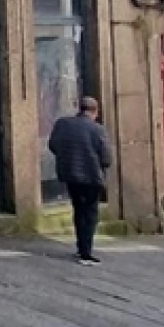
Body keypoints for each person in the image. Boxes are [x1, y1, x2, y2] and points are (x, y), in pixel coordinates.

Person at [48, 95, 113, 265]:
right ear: (95, 111)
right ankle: (86, 252)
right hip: (92, 177)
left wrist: (66, 158)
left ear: (80, 109)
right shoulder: (98, 130)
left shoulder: (63, 124)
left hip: (71, 175)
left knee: (78, 210)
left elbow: (53, 145)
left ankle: (80, 247)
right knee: (90, 213)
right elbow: (106, 157)